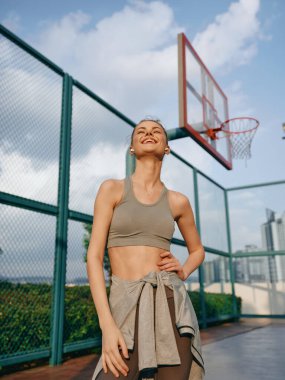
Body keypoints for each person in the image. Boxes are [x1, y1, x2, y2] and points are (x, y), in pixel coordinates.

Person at [87, 118, 205, 380]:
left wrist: (183, 270)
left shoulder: (178, 201)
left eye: (156, 132)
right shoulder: (112, 189)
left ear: (167, 147)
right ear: (132, 147)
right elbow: (94, 257)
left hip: (170, 303)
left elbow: (197, 250)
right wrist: (107, 326)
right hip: (124, 306)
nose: (148, 133)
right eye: (141, 131)